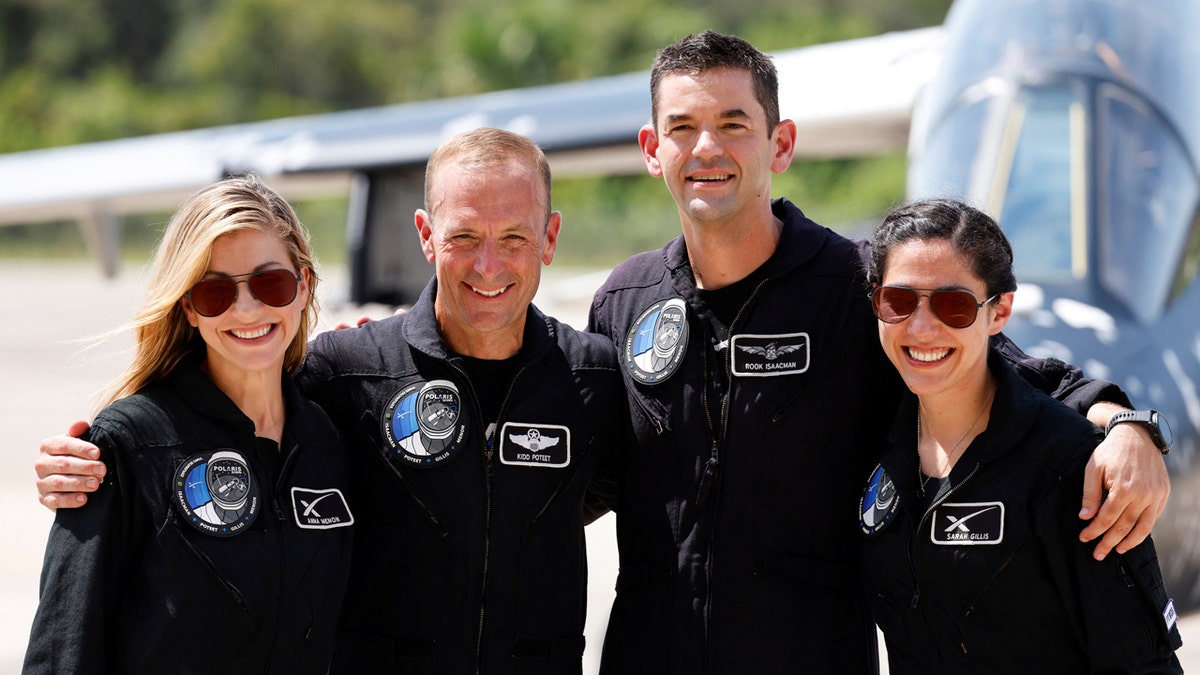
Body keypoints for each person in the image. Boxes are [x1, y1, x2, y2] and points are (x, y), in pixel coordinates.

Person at [586, 31, 1170, 674]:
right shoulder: (625, 299)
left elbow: (1000, 365)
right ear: (651, 148)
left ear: (781, 144)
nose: (707, 147)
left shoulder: (858, 288)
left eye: (733, 123)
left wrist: (1126, 425)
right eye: (683, 126)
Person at [34, 128, 624, 674]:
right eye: (463, 237)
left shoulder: (594, 379)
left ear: (549, 238)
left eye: (271, 285)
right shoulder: (348, 377)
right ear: (425, 236)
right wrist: (91, 459)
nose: (488, 264)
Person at [22, 175, 354, 674]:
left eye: (271, 283)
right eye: (214, 292)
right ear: (187, 308)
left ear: (304, 287)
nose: (247, 308)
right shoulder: (128, 446)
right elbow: (63, 650)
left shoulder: (332, 442)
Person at [858, 198, 1182, 672]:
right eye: (899, 301)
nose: (922, 327)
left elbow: (1141, 663)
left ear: (1000, 311)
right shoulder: (875, 438)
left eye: (954, 305)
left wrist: (1133, 425)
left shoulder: (1070, 465)